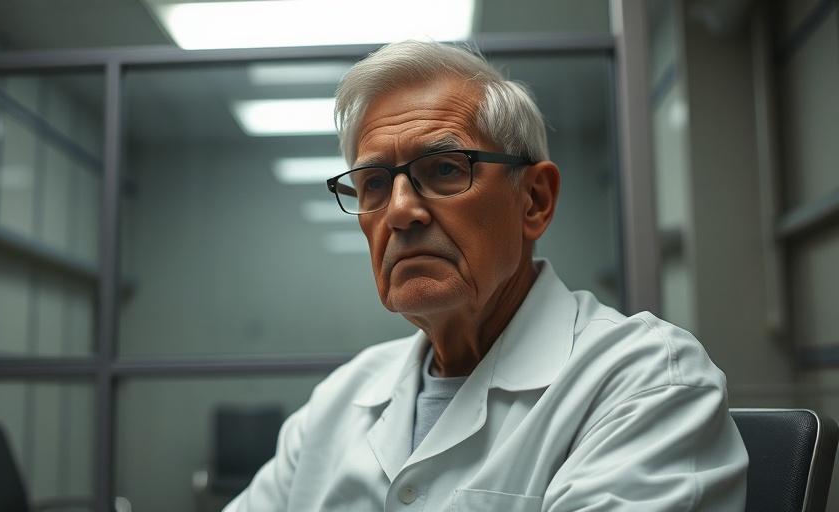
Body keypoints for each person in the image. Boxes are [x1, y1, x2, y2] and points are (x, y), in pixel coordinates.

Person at [223, 40, 748, 511]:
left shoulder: (644, 381)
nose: (401, 211)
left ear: (534, 201)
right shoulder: (338, 402)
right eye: (374, 183)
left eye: (446, 168)